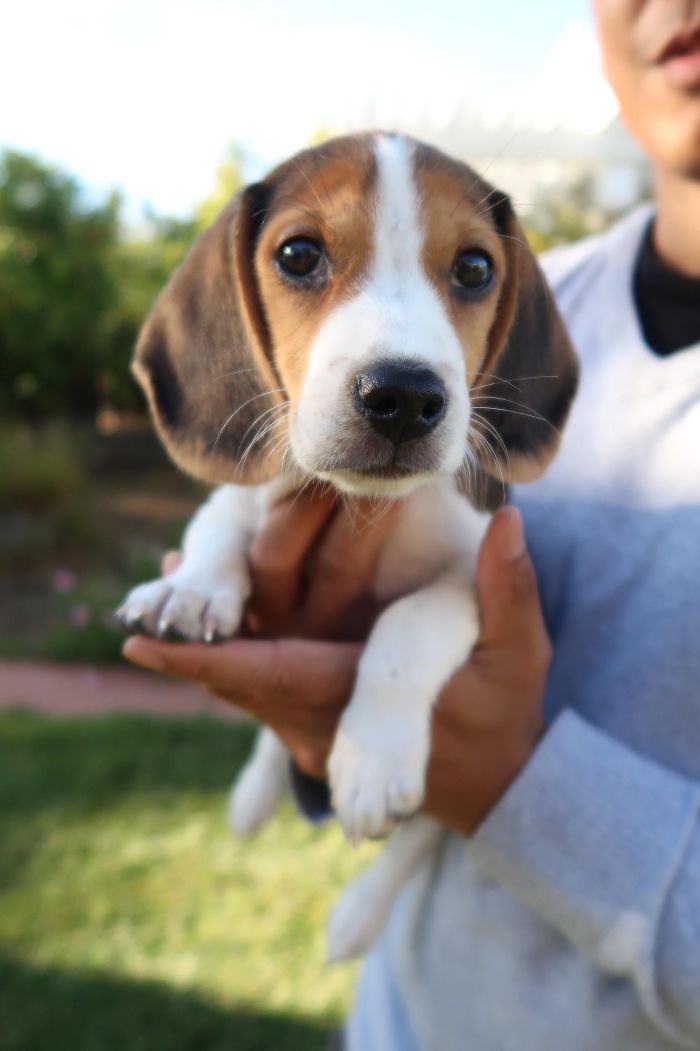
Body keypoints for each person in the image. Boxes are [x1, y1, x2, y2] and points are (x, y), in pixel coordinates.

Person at [123, 1, 700, 1046]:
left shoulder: (519, 311)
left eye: (464, 273)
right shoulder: (543, 288)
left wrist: (508, 784)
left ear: (491, 297)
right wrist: (311, 737)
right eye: (304, 259)